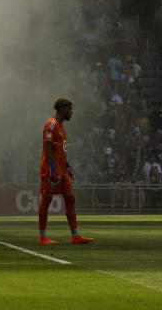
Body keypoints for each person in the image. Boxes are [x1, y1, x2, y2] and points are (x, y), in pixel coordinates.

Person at [38, 96, 94, 245]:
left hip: (62, 170)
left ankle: (75, 235)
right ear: (62, 109)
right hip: (51, 170)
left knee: (70, 198)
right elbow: (48, 147)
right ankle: (42, 236)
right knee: (47, 199)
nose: (71, 112)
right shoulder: (51, 124)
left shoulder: (61, 127)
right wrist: (52, 169)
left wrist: (67, 166)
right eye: (69, 109)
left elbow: (59, 151)